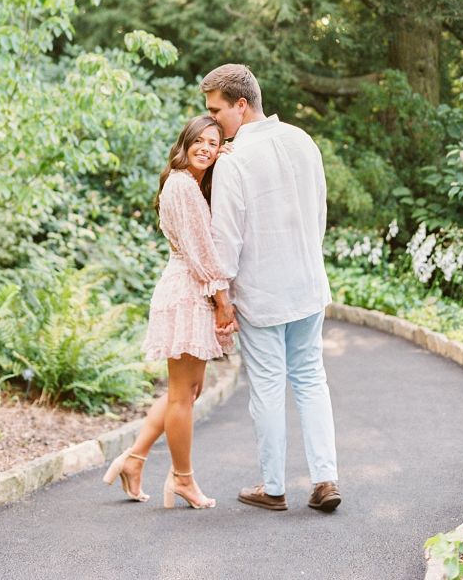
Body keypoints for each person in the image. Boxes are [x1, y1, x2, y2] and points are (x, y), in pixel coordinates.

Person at [202, 63, 341, 513]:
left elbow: (227, 238)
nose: (214, 120)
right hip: (307, 283)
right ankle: (325, 480)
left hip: (262, 292)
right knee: (310, 379)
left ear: (241, 106)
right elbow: (319, 213)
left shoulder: (235, 161)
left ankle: (274, 486)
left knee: (266, 386)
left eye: (216, 110)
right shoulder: (304, 141)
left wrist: (221, 297)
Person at [102, 114, 237, 510]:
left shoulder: (193, 185)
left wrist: (227, 157)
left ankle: (134, 457)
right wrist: (222, 302)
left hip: (192, 291)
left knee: (189, 391)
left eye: (215, 143)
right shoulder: (181, 186)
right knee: (182, 395)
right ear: (185, 142)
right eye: (201, 141)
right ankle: (182, 479)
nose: (206, 149)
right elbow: (201, 253)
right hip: (187, 293)